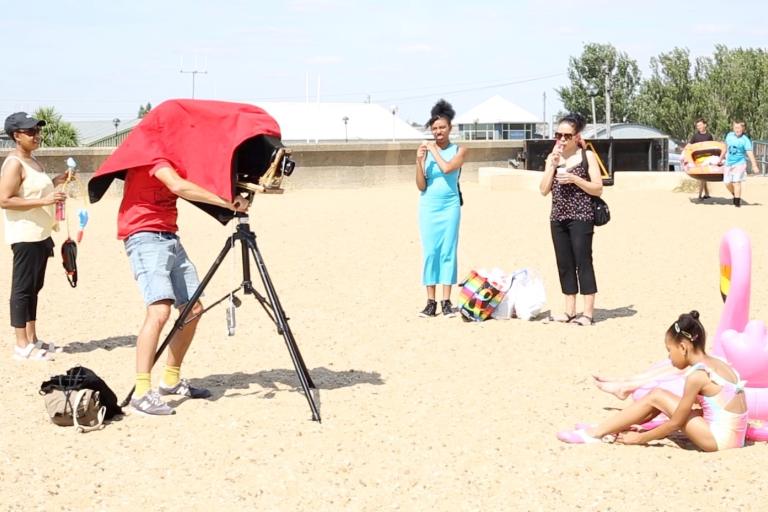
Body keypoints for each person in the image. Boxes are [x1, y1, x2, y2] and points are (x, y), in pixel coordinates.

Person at [119, 160, 249, 415]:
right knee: (159, 311)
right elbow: (178, 185)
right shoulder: (154, 155)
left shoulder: (174, 158)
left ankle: (170, 380)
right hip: (145, 236)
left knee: (193, 308)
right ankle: (142, 392)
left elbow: (198, 180)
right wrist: (227, 201)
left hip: (168, 235)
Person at [558, 311, 748, 451]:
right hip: (734, 438)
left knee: (657, 395)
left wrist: (640, 438)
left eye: (669, 350)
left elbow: (675, 423)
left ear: (682, 347)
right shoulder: (719, 363)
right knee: (661, 399)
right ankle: (608, 427)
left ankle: (594, 434)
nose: (669, 357)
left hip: (718, 441)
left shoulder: (697, 376)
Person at [0, 112, 69, 360]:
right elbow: (4, 200)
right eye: (30, 132)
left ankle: (32, 338)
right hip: (25, 234)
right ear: (16, 136)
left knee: (34, 287)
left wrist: (56, 181)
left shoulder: (32, 160)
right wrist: (45, 199)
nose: (36, 135)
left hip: (41, 233)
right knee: (22, 289)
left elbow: (32, 189)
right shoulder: (14, 163)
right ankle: (21, 345)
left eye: (37, 130)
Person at [539, 113, 602, 326]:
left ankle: (588, 313)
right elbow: (543, 190)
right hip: (558, 216)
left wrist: (574, 178)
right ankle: (569, 311)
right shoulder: (553, 158)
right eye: (558, 135)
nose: (562, 140)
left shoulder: (587, 157)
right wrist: (552, 165)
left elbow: (598, 188)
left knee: (583, 261)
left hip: (582, 216)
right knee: (564, 263)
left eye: (567, 135)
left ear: (577, 137)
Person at [415, 99, 467, 318]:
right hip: (429, 206)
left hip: (450, 206)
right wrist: (418, 162)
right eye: (434, 128)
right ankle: (430, 302)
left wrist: (434, 150)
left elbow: (447, 168)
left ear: (450, 128)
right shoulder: (426, 152)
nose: (438, 131)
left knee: (448, 251)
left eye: (442, 127)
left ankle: (446, 301)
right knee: (430, 252)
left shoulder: (459, 150)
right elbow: (421, 184)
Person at [720, 120, 760, 208]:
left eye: (739, 128)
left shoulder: (745, 140)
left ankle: (737, 202)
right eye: (735, 127)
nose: (737, 129)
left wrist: (754, 165)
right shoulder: (729, 135)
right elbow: (725, 148)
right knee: (727, 182)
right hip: (728, 163)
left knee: (737, 182)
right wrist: (720, 158)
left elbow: (749, 153)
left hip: (740, 163)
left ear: (743, 128)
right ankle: (735, 194)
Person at [684, 118, 714, 200]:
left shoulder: (709, 136)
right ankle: (703, 195)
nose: (699, 127)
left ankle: (703, 195)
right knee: (702, 177)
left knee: (703, 177)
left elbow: (711, 146)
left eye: (700, 125)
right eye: (697, 126)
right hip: (698, 159)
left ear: (705, 125)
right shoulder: (695, 136)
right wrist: (685, 152)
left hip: (707, 158)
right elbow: (690, 145)